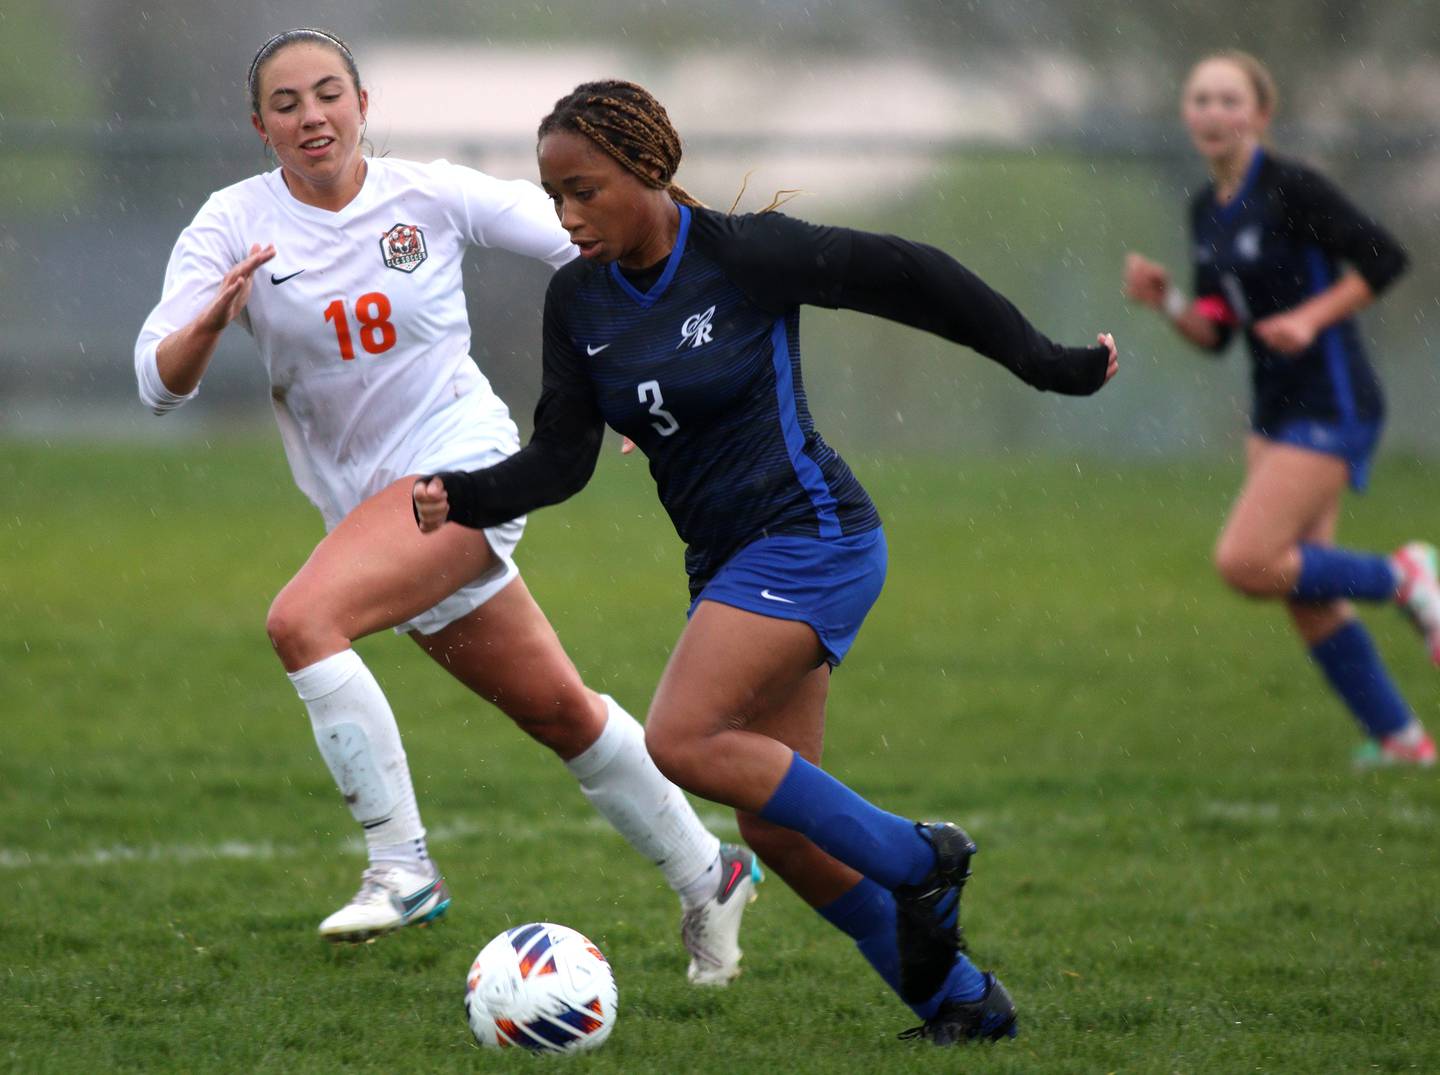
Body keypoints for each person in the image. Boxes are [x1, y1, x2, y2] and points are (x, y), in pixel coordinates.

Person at [412, 78, 1119, 1045]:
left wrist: (1045, 362)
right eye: (554, 198)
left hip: (814, 533)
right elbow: (563, 457)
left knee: (681, 738)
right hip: (730, 565)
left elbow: (910, 274)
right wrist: (468, 492)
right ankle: (961, 1002)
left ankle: (923, 860)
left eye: (585, 190)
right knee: (779, 829)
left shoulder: (743, 255)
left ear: (649, 168)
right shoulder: (577, 301)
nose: (568, 216)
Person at [133, 30, 762, 986]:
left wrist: (651, 367)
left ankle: (402, 865)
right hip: (369, 509)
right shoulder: (231, 225)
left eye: (329, 93)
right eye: (289, 102)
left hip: (463, 470)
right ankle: (710, 872)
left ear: (363, 103)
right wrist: (210, 323)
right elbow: (156, 381)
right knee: (561, 713)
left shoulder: (427, 194)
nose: (313, 116)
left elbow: (600, 241)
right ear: (259, 125)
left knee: (303, 621)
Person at [1124, 50, 1437, 768]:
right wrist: (1167, 299)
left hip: (1333, 398)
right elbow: (1215, 331)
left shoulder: (1293, 187)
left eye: (1230, 100)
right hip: (1273, 411)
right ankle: (1402, 740)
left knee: (1246, 560)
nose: (1213, 112)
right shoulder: (1206, 208)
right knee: (1302, 583)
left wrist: (1311, 318)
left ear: (1261, 114)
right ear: (1186, 114)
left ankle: (1406, 578)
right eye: (1201, 99)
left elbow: (1385, 260)